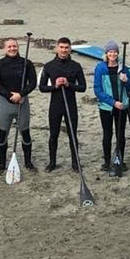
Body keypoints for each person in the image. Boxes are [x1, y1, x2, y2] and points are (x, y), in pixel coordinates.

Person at [39, 37, 88, 172]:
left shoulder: (76, 66)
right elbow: (42, 87)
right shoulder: (49, 66)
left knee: (72, 134)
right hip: (55, 105)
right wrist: (55, 86)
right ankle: (52, 162)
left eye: (66, 48)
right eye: (61, 47)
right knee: (53, 135)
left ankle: (75, 163)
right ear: (57, 48)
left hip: (70, 105)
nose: (64, 50)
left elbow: (83, 87)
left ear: (70, 49)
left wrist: (68, 84)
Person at [0, 37, 37, 174]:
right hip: (6, 103)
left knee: (25, 133)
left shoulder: (26, 63)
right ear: (5, 49)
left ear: (18, 47)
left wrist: (21, 94)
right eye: (9, 46)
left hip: (23, 103)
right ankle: (1, 164)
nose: (12, 49)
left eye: (14, 46)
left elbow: (32, 83)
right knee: (2, 134)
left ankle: (28, 162)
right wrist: (10, 95)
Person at [93, 41, 130, 175]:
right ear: (106, 54)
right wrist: (113, 102)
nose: (112, 54)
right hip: (107, 107)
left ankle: (120, 159)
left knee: (121, 134)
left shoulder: (123, 68)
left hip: (122, 106)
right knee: (107, 134)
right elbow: (98, 90)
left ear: (117, 53)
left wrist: (127, 81)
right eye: (110, 52)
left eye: (114, 51)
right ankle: (107, 161)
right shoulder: (100, 68)